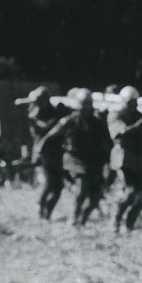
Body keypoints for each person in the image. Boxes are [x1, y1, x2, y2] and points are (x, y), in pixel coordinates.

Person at [60, 88, 111, 227]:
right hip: (76, 160)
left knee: (95, 198)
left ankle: (82, 221)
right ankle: (74, 217)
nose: (86, 110)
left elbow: (107, 142)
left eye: (88, 106)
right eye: (83, 106)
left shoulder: (98, 123)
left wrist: (107, 161)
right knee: (82, 190)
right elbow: (56, 138)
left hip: (94, 161)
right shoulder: (68, 122)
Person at [107, 86, 142, 233]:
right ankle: (115, 220)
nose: (133, 106)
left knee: (141, 195)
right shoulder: (115, 115)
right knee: (129, 191)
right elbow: (120, 134)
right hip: (122, 157)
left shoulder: (138, 115)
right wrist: (139, 125)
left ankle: (129, 225)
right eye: (130, 102)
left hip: (138, 157)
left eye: (134, 103)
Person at [28, 87, 71, 219]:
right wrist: (59, 117)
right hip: (44, 152)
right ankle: (40, 205)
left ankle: (48, 211)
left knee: (58, 186)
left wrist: (64, 112)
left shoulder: (53, 111)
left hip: (57, 151)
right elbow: (45, 128)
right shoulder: (34, 115)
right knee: (50, 182)